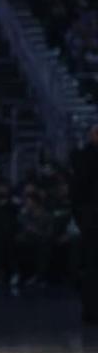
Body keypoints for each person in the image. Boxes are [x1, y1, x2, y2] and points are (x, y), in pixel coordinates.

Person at [71, 125, 98, 324]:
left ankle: (90, 311)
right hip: (91, 217)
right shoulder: (83, 158)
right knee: (92, 265)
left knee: (91, 265)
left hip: (88, 217)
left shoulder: (81, 158)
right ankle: (90, 310)